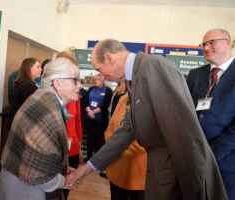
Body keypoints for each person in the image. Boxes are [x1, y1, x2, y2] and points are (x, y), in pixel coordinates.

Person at [65, 39, 228, 200]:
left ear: (109, 58)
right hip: (159, 171)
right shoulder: (135, 77)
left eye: (99, 69)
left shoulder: (153, 67)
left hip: (174, 175)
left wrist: (195, 187)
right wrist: (87, 168)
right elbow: (128, 129)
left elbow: (183, 130)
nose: (102, 75)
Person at [0, 57, 80, 200]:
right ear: (58, 83)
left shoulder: (44, 98)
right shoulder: (47, 110)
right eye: (75, 80)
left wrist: (63, 169)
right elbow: (41, 176)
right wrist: (63, 180)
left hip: (20, 178)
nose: (79, 86)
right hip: (26, 188)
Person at [187, 28, 235, 199]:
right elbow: (186, 112)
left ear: (228, 43)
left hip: (227, 163)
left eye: (211, 42)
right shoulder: (195, 75)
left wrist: (211, 155)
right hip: (194, 158)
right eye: (204, 44)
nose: (206, 48)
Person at [105, 93, 147, 200]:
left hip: (140, 176)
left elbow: (148, 141)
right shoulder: (124, 99)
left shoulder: (154, 101)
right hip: (116, 172)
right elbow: (109, 130)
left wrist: (115, 147)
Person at [55, 51, 83, 199]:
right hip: (55, 153)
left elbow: (77, 122)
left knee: (65, 190)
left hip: (71, 150)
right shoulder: (48, 97)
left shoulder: (74, 94)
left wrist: (78, 147)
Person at [83, 73, 112, 160]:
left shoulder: (108, 90)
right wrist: (89, 111)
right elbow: (85, 101)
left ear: (103, 80)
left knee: (100, 140)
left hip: (101, 120)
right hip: (89, 119)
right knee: (89, 139)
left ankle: (99, 159)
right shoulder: (91, 89)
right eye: (96, 80)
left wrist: (93, 112)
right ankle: (89, 157)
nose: (97, 81)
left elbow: (105, 105)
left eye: (99, 79)